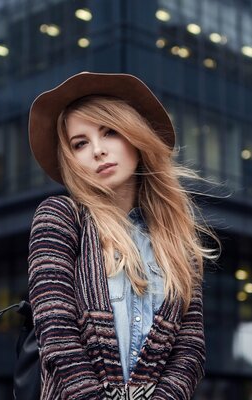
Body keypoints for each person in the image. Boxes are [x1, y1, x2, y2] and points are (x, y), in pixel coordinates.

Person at [27, 72, 218, 400]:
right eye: (80, 143)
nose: (98, 151)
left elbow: (190, 351)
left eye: (110, 132)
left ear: (135, 137)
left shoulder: (177, 240)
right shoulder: (59, 217)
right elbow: (57, 337)